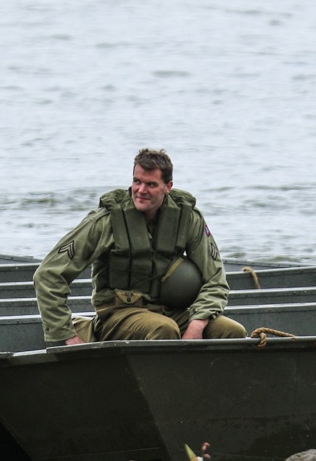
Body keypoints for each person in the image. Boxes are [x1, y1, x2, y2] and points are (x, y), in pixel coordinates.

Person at [33, 148, 247, 346]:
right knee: (163, 330)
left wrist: (197, 324)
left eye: (151, 184)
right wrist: (67, 335)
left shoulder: (188, 219)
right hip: (118, 316)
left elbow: (216, 281)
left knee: (232, 331)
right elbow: (48, 275)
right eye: (137, 182)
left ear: (168, 187)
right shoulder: (107, 221)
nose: (141, 190)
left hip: (171, 313)